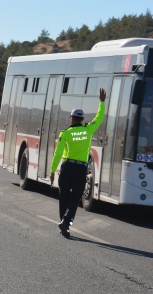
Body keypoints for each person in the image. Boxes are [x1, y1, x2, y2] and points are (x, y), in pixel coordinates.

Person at [50, 88, 107, 238]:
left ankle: (64, 222)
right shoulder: (88, 130)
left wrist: (52, 170)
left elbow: (57, 153)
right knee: (75, 198)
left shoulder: (65, 134)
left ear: (71, 118)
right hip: (81, 169)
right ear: (82, 119)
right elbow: (99, 117)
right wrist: (102, 102)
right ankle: (66, 222)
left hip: (67, 167)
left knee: (63, 196)